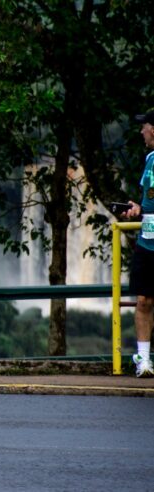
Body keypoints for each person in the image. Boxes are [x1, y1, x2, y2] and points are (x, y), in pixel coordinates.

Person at [122, 109, 154, 378]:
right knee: (143, 300)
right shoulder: (150, 160)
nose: (141, 132)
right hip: (147, 241)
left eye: (144, 127)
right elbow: (148, 202)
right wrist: (136, 209)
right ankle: (143, 360)